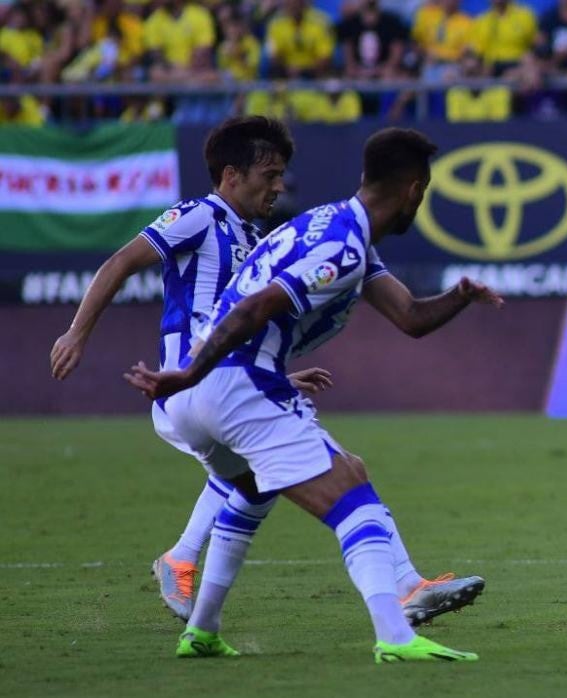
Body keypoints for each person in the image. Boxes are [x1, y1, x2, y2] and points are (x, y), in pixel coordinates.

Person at [51, 118, 483, 634]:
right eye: (270, 174)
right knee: (337, 479)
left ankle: (203, 616)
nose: (279, 186)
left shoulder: (263, 237)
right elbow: (122, 262)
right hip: (187, 380)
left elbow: (262, 318)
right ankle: (189, 558)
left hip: (221, 379)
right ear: (231, 175)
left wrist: (271, 372)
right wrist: (77, 332)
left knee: (270, 481)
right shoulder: (198, 216)